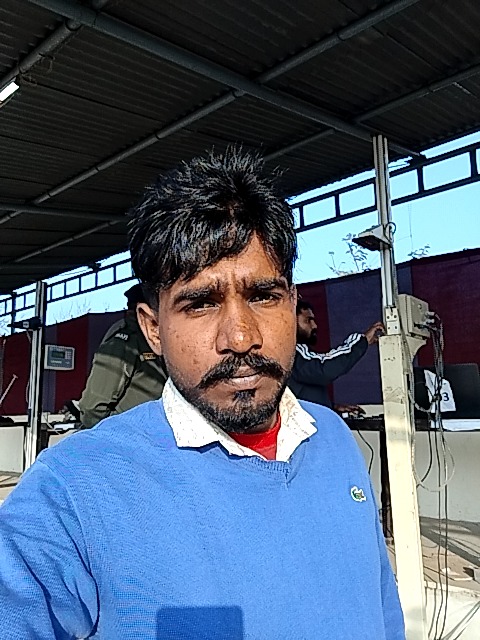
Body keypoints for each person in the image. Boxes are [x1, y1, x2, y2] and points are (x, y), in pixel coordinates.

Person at [0, 148, 404, 639]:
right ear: (153, 328)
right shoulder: (72, 491)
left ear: (292, 302)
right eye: (200, 304)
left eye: (263, 296)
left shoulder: (334, 440)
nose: (241, 337)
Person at [78, 284, 167, 428]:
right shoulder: (124, 343)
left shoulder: (164, 341)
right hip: (129, 433)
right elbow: (92, 408)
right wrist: (114, 434)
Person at [289, 299, 384, 412]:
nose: (314, 326)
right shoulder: (292, 352)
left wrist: (332, 407)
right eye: (308, 320)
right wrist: (362, 341)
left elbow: (302, 394)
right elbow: (324, 369)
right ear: (291, 322)